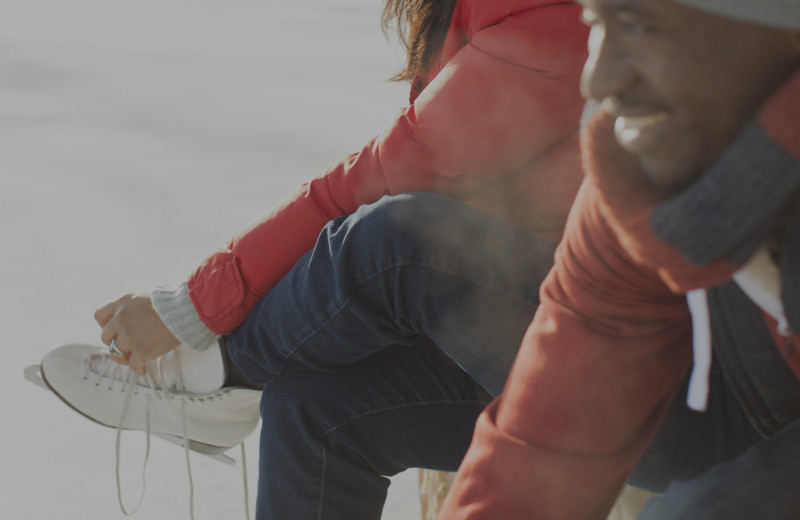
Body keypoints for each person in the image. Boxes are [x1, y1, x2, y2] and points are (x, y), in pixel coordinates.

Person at [38, 1, 590, 519]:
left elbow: (401, 170)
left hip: (628, 375)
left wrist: (194, 310)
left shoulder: (557, 13)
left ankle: (217, 376)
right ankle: (221, 382)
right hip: (560, 342)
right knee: (310, 409)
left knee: (397, 237)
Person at [437, 0, 800, 518]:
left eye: (637, 24)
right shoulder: (634, 185)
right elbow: (543, 449)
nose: (597, 79)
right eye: (595, 23)